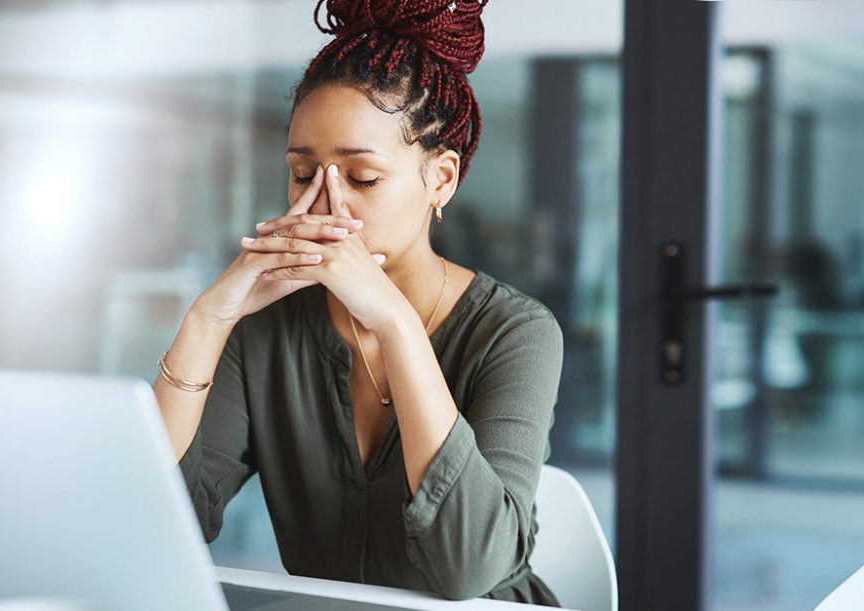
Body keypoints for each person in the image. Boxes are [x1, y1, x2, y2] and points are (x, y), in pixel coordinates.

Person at [151, 0, 564, 604]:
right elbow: (161, 523)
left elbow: (467, 570)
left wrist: (395, 323)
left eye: (363, 178)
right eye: (301, 173)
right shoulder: (265, 327)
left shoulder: (517, 333)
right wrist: (208, 320)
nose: (324, 203)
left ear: (441, 179)